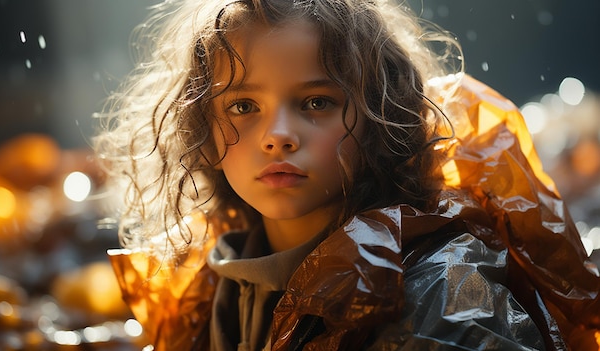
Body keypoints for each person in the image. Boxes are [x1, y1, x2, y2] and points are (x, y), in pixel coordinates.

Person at [94, 0, 600, 350]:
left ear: (384, 118)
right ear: (199, 123)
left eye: (317, 102)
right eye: (244, 105)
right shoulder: (213, 290)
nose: (278, 135)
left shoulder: (440, 299)